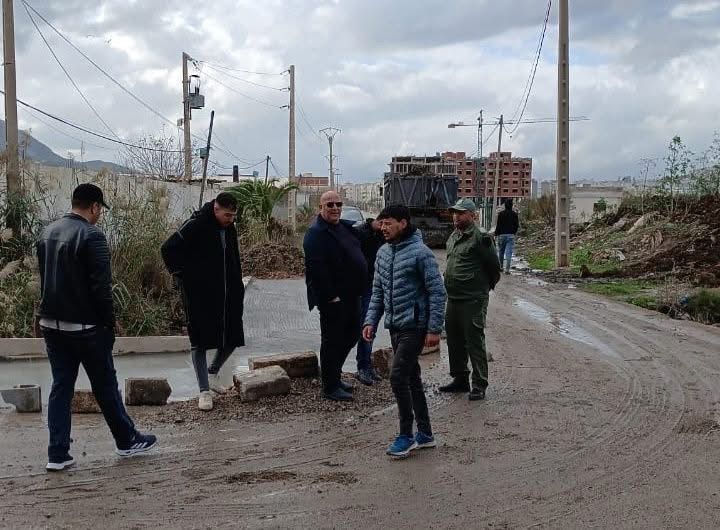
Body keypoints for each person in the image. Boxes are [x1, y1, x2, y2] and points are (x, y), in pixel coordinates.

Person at [37, 183, 157, 472]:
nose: (100, 214)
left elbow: (45, 280)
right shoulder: (92, 236)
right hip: (85, 327)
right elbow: (101, 287)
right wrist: (109, 323)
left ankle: (57, 454)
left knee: (61, 387)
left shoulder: (47, 232)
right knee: (105, 385)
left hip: (51, 324)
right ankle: (127, 440)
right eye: (100, 209)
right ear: (94, 207)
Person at [363, 205, 446, 458]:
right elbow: (378, 292)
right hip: (395, 326)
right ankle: (426, 434)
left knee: (397, 377)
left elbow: (437, 292)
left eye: (388, 223)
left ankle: (406, 435)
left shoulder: (422, 253)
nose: (383, 228)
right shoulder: (383, 253)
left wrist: (434, 329)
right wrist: (370, 322)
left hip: (415, 326)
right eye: (381, 223)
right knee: (412, 378)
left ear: (403, 223)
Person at [161, 192, 245, 412]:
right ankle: (204, 391)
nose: (230, 219)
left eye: (233, 216)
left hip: (228, 293)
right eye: (227, 215)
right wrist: (183, 275)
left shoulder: (230, 228)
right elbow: (168, 248)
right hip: (199, 294)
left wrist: (238, 286)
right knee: (199, 341)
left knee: (233, 336)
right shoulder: (196, 224)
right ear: (216, 208)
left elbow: (234, 258)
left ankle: (212, 373)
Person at [303, 191, 367, 401]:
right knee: (332, 341)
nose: (335, 208)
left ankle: (334, 375)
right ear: (320, 207)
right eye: (329, 204)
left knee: (352, 334)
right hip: (333, 299)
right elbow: (316, 270)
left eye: (338, 204)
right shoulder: (315, 233)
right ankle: (330, 386)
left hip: (352, 294)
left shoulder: (343, 227)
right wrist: (331, 297)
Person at [440, 198, 502, 401]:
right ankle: (460, 379)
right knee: (454, 340)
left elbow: (494, 268)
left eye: (461, 213)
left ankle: (479, 383)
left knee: (474, 341)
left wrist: (482, 289)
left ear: (472, 215)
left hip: (473, 299)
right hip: (453, 298)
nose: (456, 216)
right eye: (454, 213)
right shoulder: (454, 236)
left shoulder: (480, 238)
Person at [354, 217, 385, 385]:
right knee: (366, 327)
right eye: (383, 223)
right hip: (365, 287)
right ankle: (363, 366)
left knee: (371, 329)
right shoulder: (363, 232)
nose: (385, 227)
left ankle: (367, 365)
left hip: (378, 287)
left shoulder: (384, 237)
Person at [495, 198, 519, 274]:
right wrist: (513, 232)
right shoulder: (514, 214)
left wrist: (496, 234)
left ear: (505, 205)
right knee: (509, 253)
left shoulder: (501, 214)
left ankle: (501, 267)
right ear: (511, 206)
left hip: (501, 235)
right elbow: (516, 225)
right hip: (510, 235)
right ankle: (507, 270)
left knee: (501, 252)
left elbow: (498, 225)